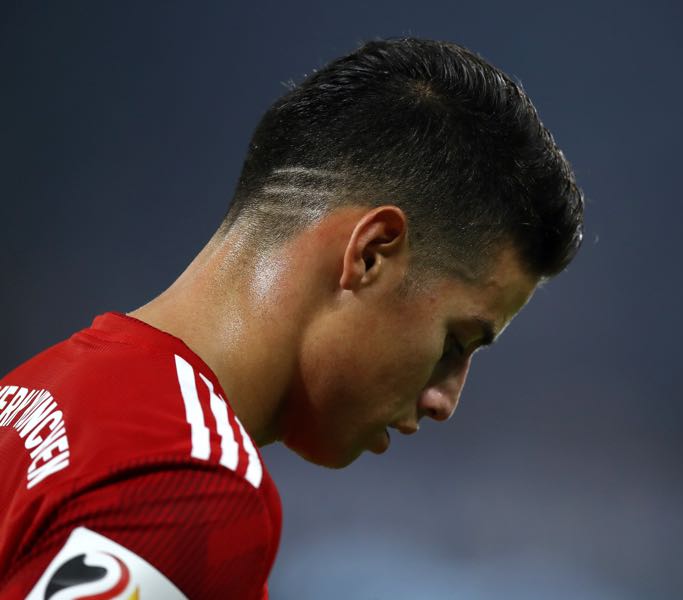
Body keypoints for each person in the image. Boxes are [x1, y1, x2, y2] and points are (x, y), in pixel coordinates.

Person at [0, 37, 584, 599]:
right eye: (456, 343)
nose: (445, 401)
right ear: (371, 254)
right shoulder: (189, 485)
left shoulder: (34, 392)